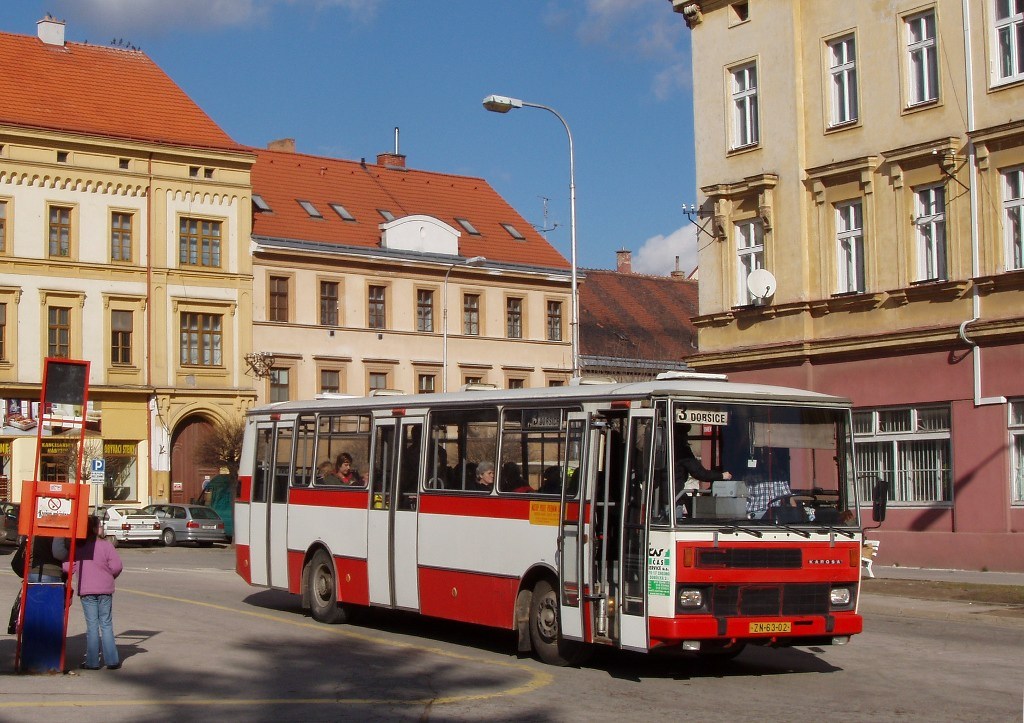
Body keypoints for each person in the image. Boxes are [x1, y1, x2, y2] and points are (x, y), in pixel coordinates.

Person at [64, 516, 123, 670]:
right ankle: (112, 660)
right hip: (105, 589)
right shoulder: (107, 546)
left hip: (87, 590)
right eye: (100, 526)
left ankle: (92, 662)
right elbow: (117, 566)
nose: (102, 528)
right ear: (95, 529)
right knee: (106, 624)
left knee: (92, 626)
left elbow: (66, 567)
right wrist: (109, 575)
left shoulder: (79, 547)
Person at [675, 424, 732, 490]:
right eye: (685, 434)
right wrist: (722, 475)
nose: (687, 436)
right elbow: (700, 473)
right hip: (674, 493)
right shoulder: (682, 451)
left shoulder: (667, 449)